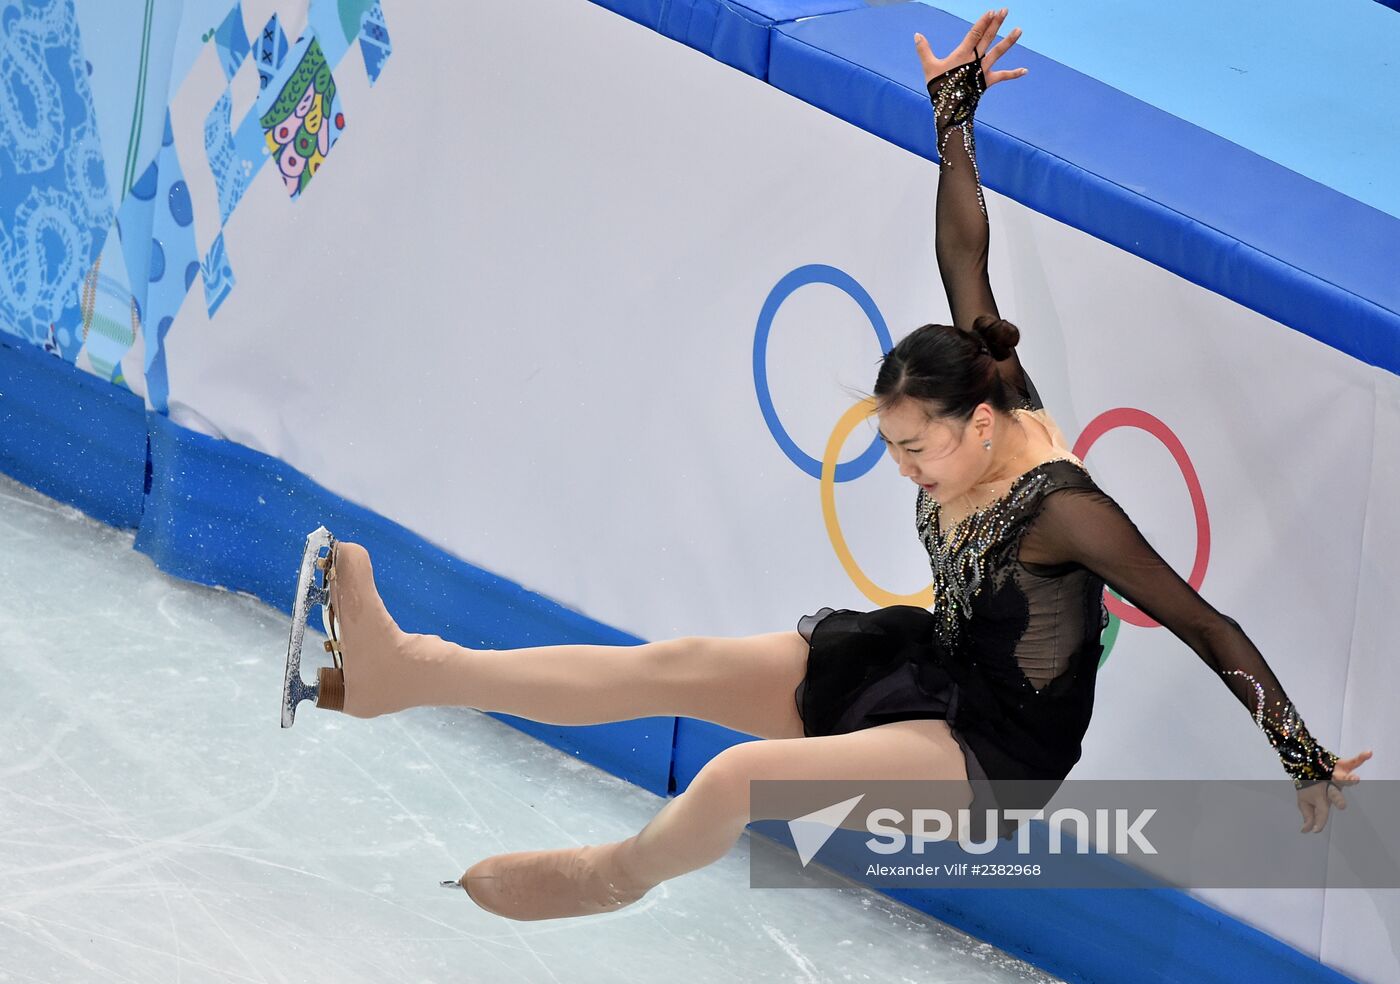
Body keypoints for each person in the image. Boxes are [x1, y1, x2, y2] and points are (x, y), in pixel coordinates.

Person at [286, 9, 1370, 921]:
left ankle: (610, 877)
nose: (900, 467)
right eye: (887, 443)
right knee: (677, 662)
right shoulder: (984, 374)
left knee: (735, 774)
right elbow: (964, 253)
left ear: (979, 427)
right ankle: (408, 671)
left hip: (998, 755)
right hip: (932, 670)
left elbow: (1200, 621)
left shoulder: (1063, 510)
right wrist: (955, 118)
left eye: (914, 448)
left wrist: (1299, 754)